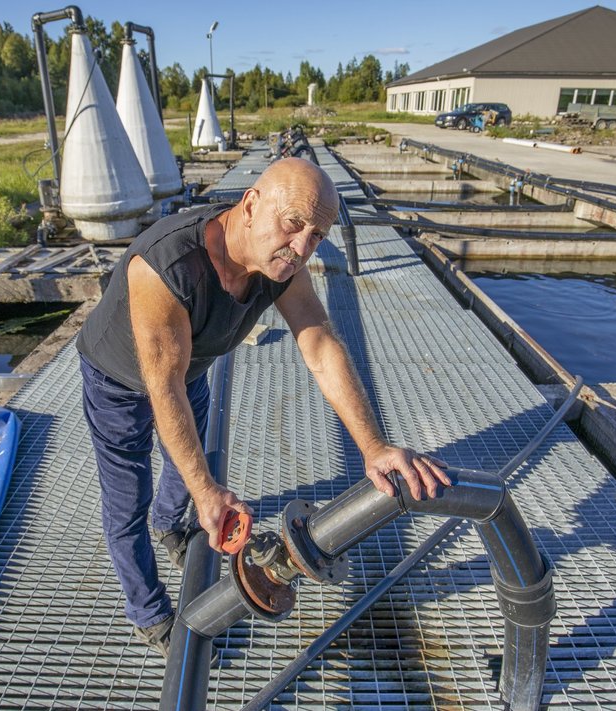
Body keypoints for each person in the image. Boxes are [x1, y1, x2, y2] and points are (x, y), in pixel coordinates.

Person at [76, 157, 449, 656]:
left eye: (317, 235)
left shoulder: (282, 265)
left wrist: (374, 446)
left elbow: (319, 343)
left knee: (183, 472)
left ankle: (171, 527)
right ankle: (149, 613)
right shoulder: (166, 266)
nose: (302, 248)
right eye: (294, 224)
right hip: (119, 381)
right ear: (250, 205)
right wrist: (209, 492)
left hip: (191, 368)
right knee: (128, 500)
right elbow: (162, 388)